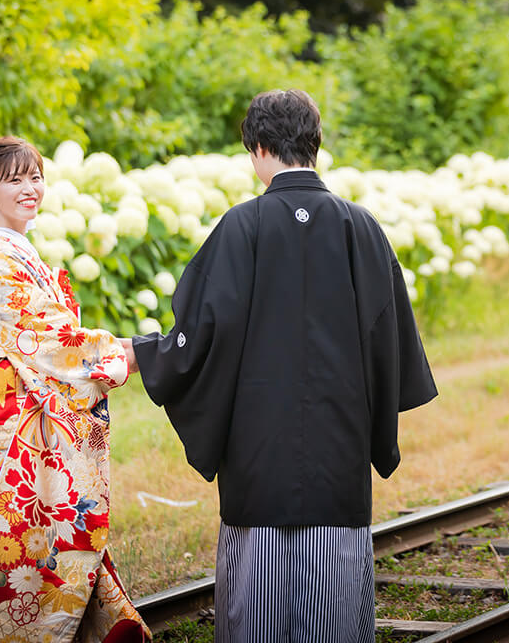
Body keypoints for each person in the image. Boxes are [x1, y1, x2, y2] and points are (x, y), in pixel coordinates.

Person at [126, 89, 437, 643]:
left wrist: (145, 354)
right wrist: (374, 428)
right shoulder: (360, 227)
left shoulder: (241, 227)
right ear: (315, 144)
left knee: (257, 612)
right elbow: (391, 342)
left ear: (259, 148)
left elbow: (200, 334)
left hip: (258, 453)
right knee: (335, 612)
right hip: (339, 454)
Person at [0, 137, 150, 643]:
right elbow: (51, 344)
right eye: (15, 179)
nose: (31, 188)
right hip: (8, 446)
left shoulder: (13, 257)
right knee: (9, 563)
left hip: (9, 439)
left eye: (35, 176)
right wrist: (129, 353)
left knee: (26, 558)